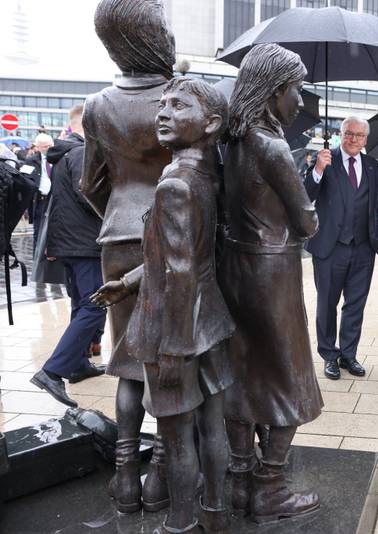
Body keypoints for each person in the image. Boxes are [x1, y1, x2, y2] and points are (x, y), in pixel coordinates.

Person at [124, 76, 233, 534]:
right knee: (212, 424)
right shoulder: (209, 175)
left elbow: (181, 270)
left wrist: (172, 346)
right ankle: (217, 512)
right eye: (162, 104)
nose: (163, 112)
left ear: (210, 124)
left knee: (178, 434)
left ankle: (181, 522)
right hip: (208, 320)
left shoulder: (176, 184)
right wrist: (128, 281)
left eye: (178, 106)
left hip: (175, 327)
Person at [220, 43, 322, 522]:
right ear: (273, 91)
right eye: (295, 89)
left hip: (235, 270)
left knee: (243, 372)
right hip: (272, 275)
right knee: (288, 376)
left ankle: (239, 477)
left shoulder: (232, 141)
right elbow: (306, 222)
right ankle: (270, 486)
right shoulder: (273, 146)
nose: (299, 101)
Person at [79, 0, 173, 514]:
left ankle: (125, 478)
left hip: (116, 239)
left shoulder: (96, 106)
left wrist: (117, 211)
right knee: (170, 360)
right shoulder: (180, 96)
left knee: (128, 362)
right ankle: (161, 472)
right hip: (172, 236)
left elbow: (88, 183)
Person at [30, 105, 107, 408]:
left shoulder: (65, 153)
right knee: (95, 306)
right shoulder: (82, 154)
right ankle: (53, 371)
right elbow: (89, 194)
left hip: (70, 243)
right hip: (84, 242)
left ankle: (78, 364)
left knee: (80, 304)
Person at [305, 116, 378, 381]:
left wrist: (377, 237)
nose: (353, 139)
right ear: (340, 134)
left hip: (363, 248)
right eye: (349, 133)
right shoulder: (325, 159)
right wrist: (317, 169)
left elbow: (375, 207)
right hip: (330, 247)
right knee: (327, 304)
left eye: (359, 135)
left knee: (355, 305)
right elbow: (305, 196)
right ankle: (329, 355)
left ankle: (349, 354)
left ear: (366, 140)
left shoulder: (374, 167)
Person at [22, 133, 54, 251]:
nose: (48, 148)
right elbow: (25, 180)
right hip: (40, 201)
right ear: (38, 147)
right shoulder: (31, 161)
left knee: (57, 231)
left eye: (50, 145)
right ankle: (37, 261)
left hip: (56, 200)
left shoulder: (60, 158)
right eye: (45, 146)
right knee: (39, 233)